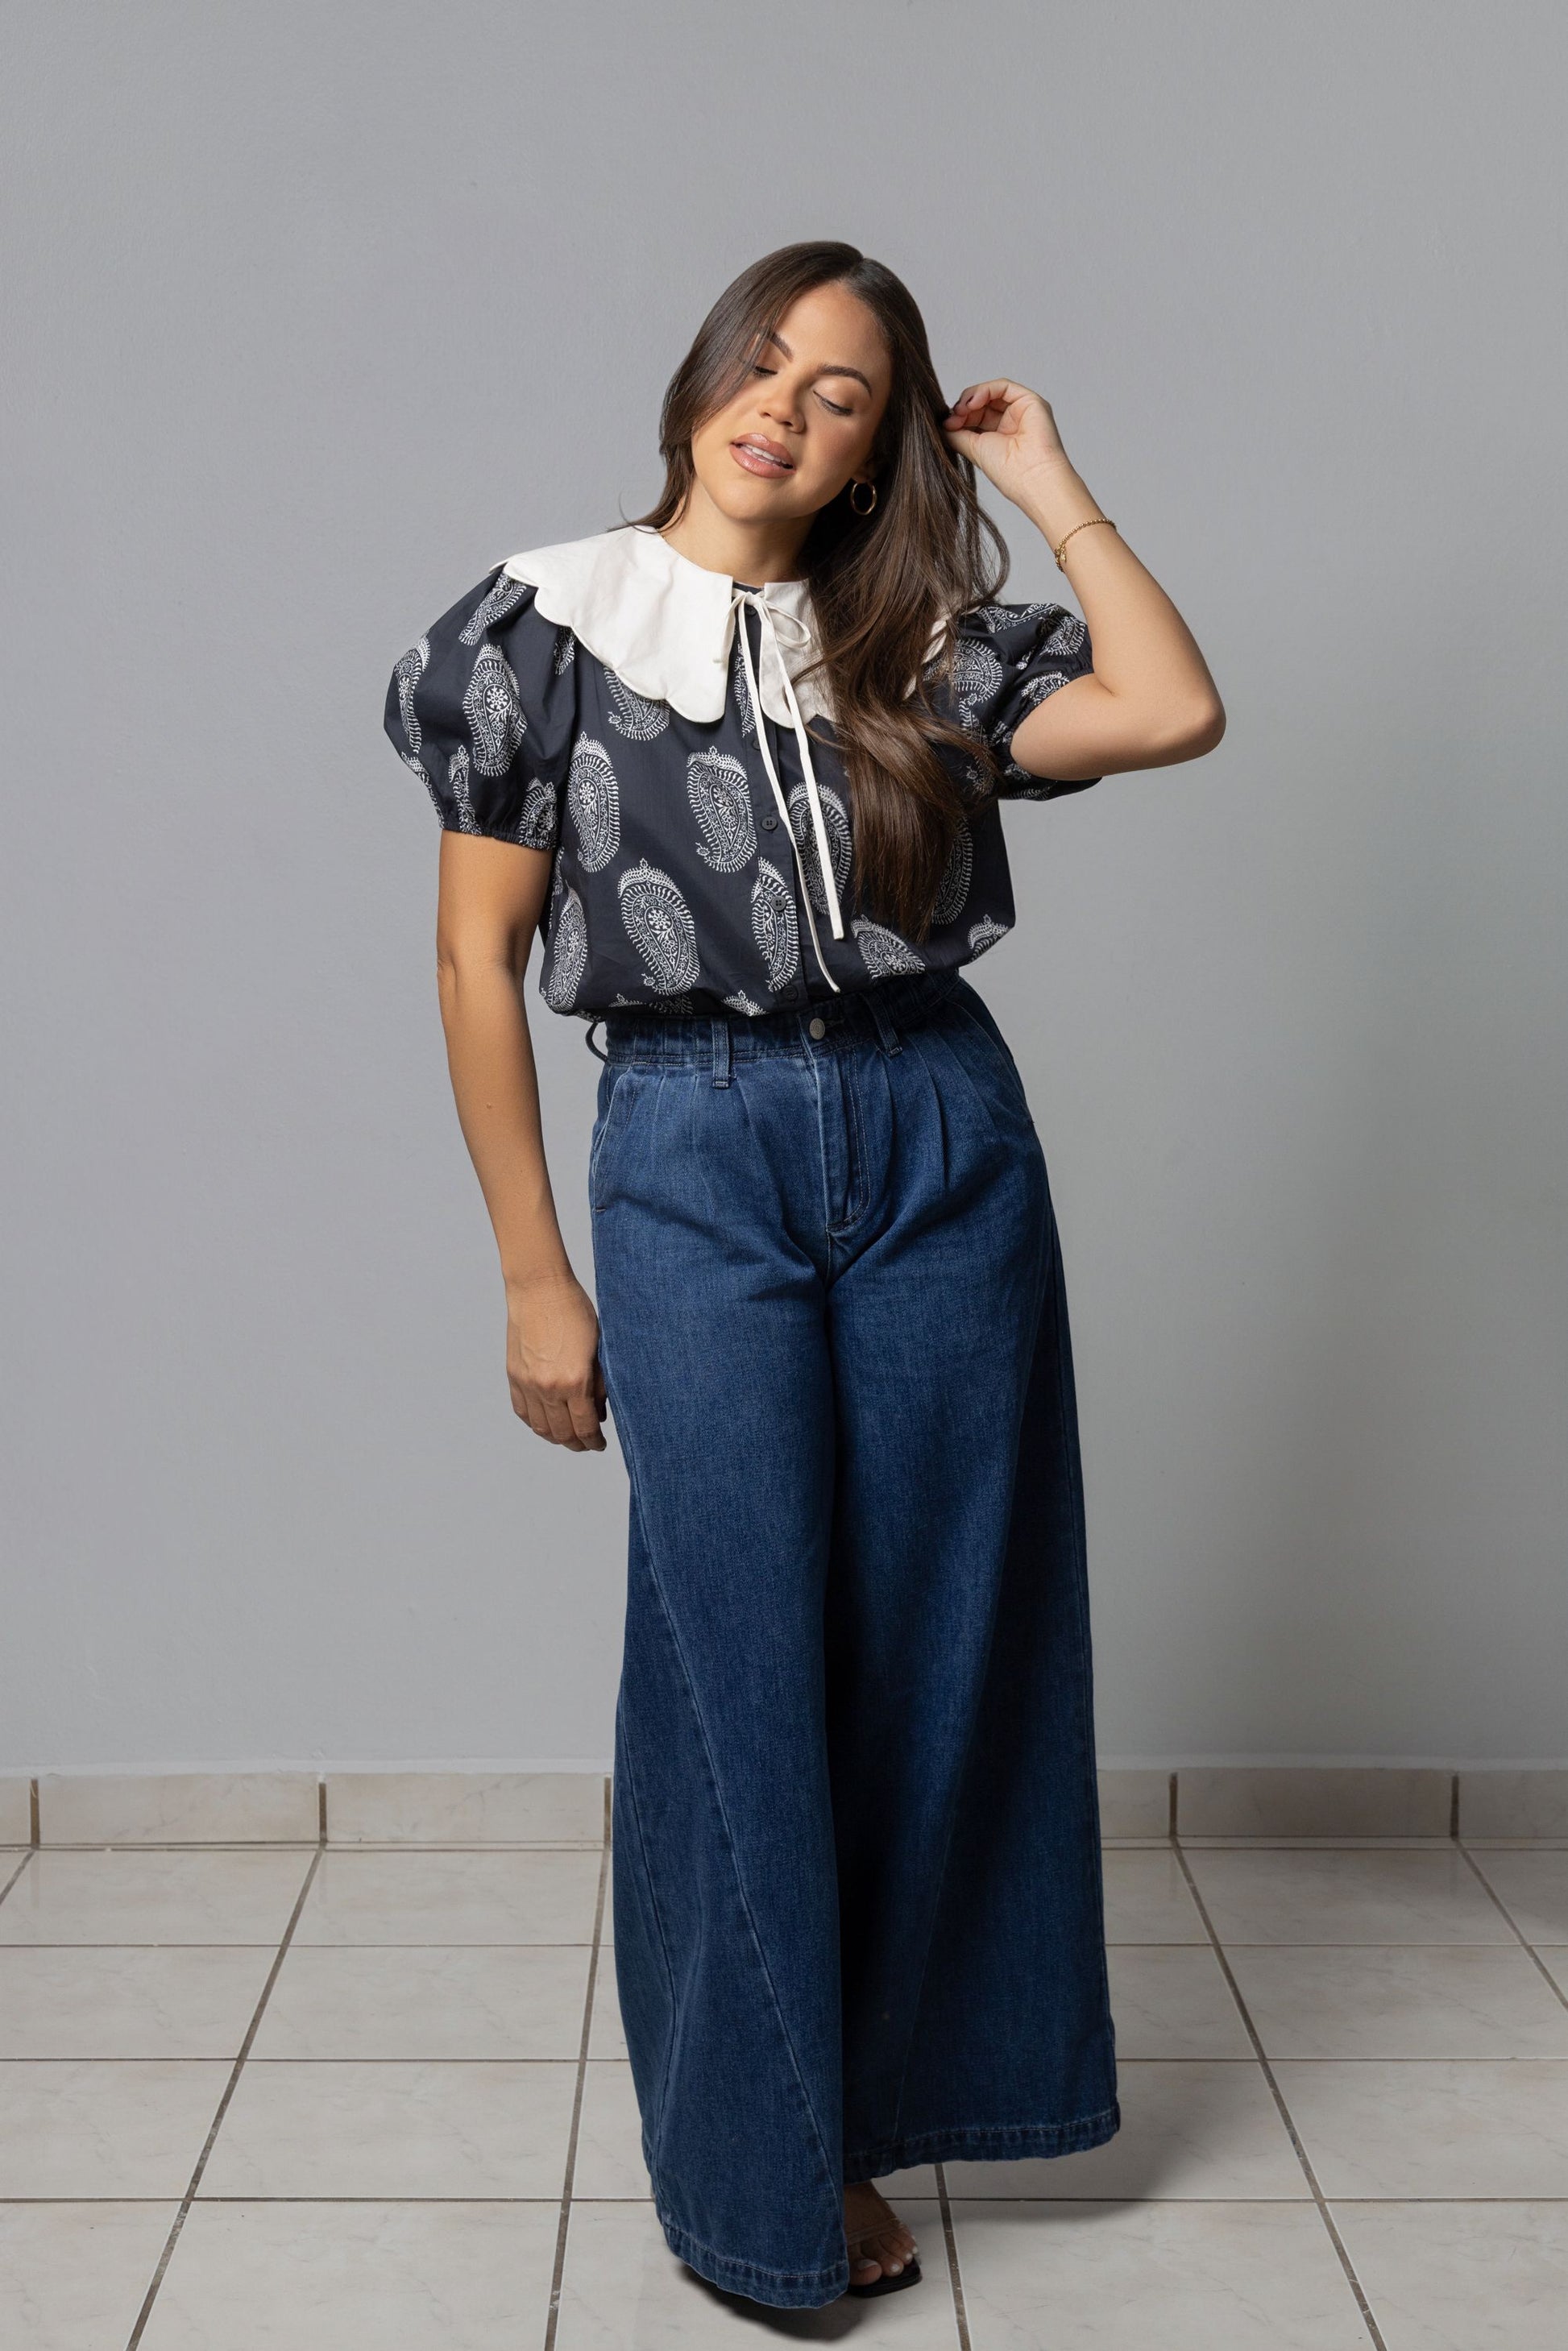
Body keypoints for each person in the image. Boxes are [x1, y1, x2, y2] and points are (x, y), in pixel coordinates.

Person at [384, 239, 1224, 2311]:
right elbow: (474, 961)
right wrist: (533, 1275)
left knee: (944, 1628)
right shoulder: (543, 627)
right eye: (761, 363)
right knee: (729, 1649)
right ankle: (756, 2186)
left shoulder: (911, 640)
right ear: (699, 381)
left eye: (839, 392)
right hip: (691, 1140)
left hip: (938, 1124)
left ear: (872, 450)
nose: (783, 405)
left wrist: (1049, 483)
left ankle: (867, 2114)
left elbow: (1170, 709)